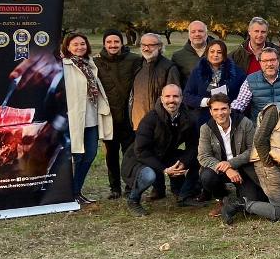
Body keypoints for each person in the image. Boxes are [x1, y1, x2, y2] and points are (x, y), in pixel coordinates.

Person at [222, 86, 280, 223]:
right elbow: (260, 140)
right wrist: (269, 164)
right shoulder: (275, 110)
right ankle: (239, 204)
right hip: (269, 167)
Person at [123, 83, 199, 216]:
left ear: (181, 98)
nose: (171, 100)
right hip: (139, 158)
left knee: (198, 158)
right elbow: (141, 150)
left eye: (175, 96)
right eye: (168, 96)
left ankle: (182, 195)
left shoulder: (189, 117)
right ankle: (133, 200)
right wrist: (164, 169)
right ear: (162, 99)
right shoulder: (150, 119)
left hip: (165, 154)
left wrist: (183, 162)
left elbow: (194, 145)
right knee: (149, 175)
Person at [62, 32, 113, 205]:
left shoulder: (90, 63)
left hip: (92, 118)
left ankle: (76, 190)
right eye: (75, 44)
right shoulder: (64, 66)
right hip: (74, 119)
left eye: (82, 44)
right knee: (76, 156)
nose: (79, 47)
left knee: (90, 154)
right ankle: (71, 193)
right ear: (68, 47)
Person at [94, 30, 142, 199]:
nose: (113, 45)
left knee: (130, 154)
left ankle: (130, 186)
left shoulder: (135, 60)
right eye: (109, 42)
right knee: (111, 154)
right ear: (104, 44)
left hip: (129, 116)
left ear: (122, 43)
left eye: (116, 42)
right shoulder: (96, 62)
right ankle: (115, 188)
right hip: (109, 117)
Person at [196, 93, 260, 217]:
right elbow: (203, 156)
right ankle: (222, 199)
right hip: (220, 171)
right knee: (207, 176)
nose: (220, 113)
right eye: (216, 109)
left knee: (251, 205)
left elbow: (253, 150)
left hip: (243, 168)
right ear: (210, 112)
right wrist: (227, 169)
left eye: (224, 108)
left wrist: (231, 163)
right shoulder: (206, 128)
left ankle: (236, 201)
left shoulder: (244, 123)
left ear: (230, 109)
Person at [182, 38, 246, 125]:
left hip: (229, 118)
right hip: (204, 119)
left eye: (219, 52)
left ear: (224, 54)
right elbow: (187, 96)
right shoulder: (197, 72)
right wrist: (207, 101)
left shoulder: (236, 72)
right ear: (207, 53)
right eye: (212, 51)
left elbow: (242, 97)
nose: (215, 55)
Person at [129, 33, 181, 132]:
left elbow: (173, 99)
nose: (146, 48)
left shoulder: (169, 68)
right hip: (138, 124)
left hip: (160, 125)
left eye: (151, 45)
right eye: (143, 45)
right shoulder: (138, 66)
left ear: (160, 46)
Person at [171, 20, 210, 84]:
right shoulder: (178, 56)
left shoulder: (218, 53)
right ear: (189, 35)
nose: (197, 34)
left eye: (200, 31)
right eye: (193, 32)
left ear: (206, 34)